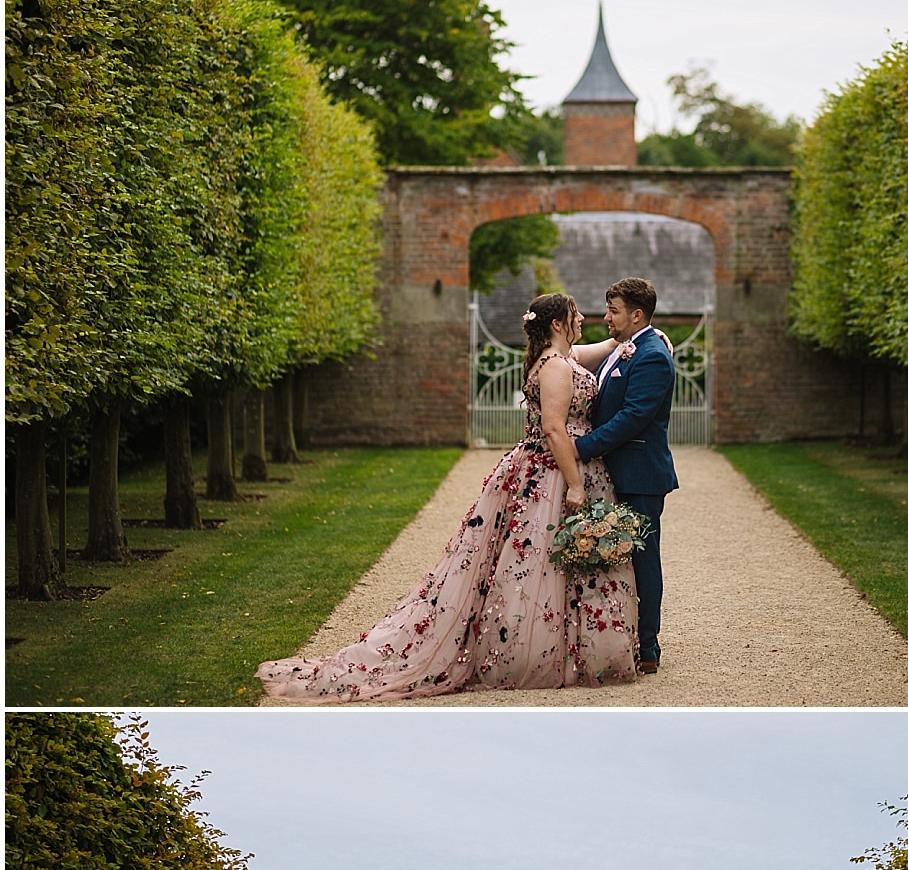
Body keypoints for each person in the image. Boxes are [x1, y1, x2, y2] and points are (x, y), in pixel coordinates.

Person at [255, 293, 641, 700]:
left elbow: (600, 348)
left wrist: (638, 337)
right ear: (558, 325)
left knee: (548, 560)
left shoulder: (558, 357)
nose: (582, 318)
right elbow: (554, 429)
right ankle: (532, 650)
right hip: (555, 470)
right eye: (574, 314)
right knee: (542, 558)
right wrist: (575, 485)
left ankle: (561, 646)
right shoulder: (557, 368)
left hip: (556, 466)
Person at [573, 277, 678, 675]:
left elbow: (633, 418)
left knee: (643, 558)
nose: (606, 317)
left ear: (637, 315)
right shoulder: (625, 348)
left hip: (640, 475)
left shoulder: (651, 354)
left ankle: (648, 646)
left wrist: (580, 448)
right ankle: (617, 636)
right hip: (615, 471)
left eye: (614, 310)